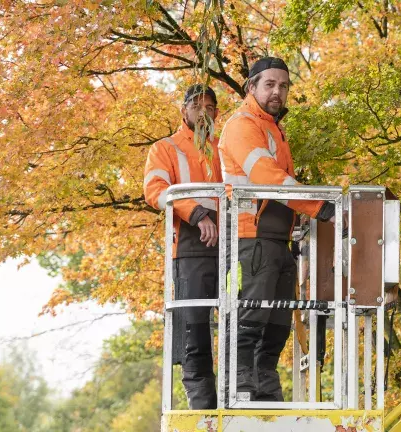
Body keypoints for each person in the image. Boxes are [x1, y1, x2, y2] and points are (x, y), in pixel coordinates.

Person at [219, 57, 336, 401]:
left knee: (278, 321)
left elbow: (281, 185)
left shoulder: (273, 129)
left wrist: (299, 217)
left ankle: (266, 389)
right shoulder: (242, 125)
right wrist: (317, 206)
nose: (277, 91)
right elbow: (266, 177)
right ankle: (241, 387)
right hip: (251, 235)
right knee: (253, 312)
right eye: (269, 84)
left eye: (283, 86)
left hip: (278, 240)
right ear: (251, 87)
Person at [143, 84, 222, 409]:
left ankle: (237, 410)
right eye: (197, 105)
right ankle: (203, 415)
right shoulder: (165, 149)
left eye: (210, 106)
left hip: (233, 245)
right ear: (184, 111)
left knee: (238, 331)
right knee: (195, 333)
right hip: (191, 249)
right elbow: (155, 190)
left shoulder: (224, 147)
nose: (204, 112)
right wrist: (196, 213)